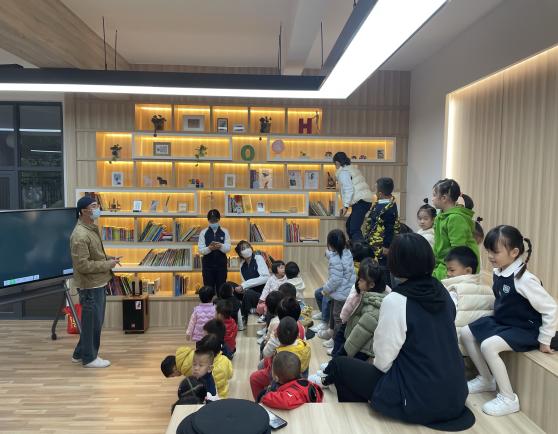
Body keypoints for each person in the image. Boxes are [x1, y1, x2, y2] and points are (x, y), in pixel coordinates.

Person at [323, 233, 474, 431]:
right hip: (456, 393)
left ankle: (362, 425)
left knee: (340, 365)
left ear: (395, 262)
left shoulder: (396, 300)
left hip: (419, 400)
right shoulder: (443, 291)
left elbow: (383, 362)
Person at [461, 225, 557, 416]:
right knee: (465, 332)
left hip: (526, 329)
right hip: (504, 322)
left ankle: (508, 398)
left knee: (488, 346)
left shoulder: (525, 280)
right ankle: (486, 379)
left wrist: (545, 339)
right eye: (488, 251)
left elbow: (551, 308)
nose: (490, 256)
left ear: (514, 252)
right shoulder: (499, 270)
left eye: (495, 252)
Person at [309, 258, 387, 386]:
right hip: (355, 342)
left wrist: (343, 351)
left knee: (342, 361)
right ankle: (329, 369)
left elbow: (356, 340)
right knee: (339, 356)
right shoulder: (369, 296)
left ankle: (325, 380)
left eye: (361, 280)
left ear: (372, 285)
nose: (358, 281)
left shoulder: (373, 309)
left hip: (360, 348)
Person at [70, 196, 121, 368]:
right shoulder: (80, 235)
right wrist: (107, 264)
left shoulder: (91, 228)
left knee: (92, 322)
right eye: (94, 206)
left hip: (97, 282)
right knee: (93, 323)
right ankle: (90, 358)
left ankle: (79, 354)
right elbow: (83, 265)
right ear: (84, 211)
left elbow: (95, 255)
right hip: (90, 285)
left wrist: (109, 258)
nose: (98, 208)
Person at [442, 246, 494, 351]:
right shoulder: (487, 290)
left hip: (453, 344)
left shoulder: (454, 291)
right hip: (478, 345)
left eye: (452, 270)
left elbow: (444, 317)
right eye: (447, 269)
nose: (448, 273)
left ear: (468, 270)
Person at [160, 325, 233, 398]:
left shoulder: (188, 369)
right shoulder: (224, 359)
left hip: (214, 395)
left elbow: (198, 385)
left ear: (174, 368)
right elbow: (230, 375)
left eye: (173, 375)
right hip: (223, 393)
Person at [250, 317, 311, 400]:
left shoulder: (280, 354)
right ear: (297, 335)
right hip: (301, 378)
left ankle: (260, 402)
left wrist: (273, 338)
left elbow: (265, 354)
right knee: (264, 364)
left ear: (278, 335)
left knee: (254, 378)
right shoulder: (304, 344)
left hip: (281, 379)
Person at [431, 178, 479, 280]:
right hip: (445, 262)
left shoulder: (455, 218)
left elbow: (458, 250)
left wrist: (443, 269)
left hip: (457, 265)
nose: (432, 199)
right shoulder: (441, 216)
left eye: (434, 195)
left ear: (444, 198)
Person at [316, 230, 356, 350]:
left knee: (338, 317)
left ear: (331, 244)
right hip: (346, 289)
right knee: (334, 313)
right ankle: (331, 333)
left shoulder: (335, 259)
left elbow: (335, 280)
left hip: (341, 292)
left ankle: (336, 342)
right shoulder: (347, 252)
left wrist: (325, 290)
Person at [363, 177, 400, 286]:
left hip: (382, 246)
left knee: (383, 269)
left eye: (375, 189)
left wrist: (386, 246)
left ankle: (385, 288)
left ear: (380, 193)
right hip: (375, 244)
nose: (374, 191)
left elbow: (389, 229)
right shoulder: (381, 204)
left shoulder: (388, 208)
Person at [258, 352, 323, 410]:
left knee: (262, 395)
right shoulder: (301, 380)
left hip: (304, 414)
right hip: (305, 408)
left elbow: (285, 401)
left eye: (272, 369)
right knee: (262, 393)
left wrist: (264, 397)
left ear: (276, 377)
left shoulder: (295, 392)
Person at [333, 151, 374, 240]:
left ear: (337, 162)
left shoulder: (343, 172)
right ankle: (353, 246)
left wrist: (345, 206)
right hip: (364, 201)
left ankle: (360, 248)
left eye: (334, 164)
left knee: (354, 229)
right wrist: (346, 206)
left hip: (361, 202)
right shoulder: (352, 169)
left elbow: (349, 189)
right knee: (349, 226)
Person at [233, 240, 270, 325]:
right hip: (248, 293)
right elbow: (244, 283)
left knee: (248, 293)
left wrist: (244, 285)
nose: (246, 249)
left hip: (261, 295)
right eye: (243, 248)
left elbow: (265, 277)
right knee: (229, 286)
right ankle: (235, 314)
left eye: (247, 247)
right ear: (240, 253)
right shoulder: (242, 265)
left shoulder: (258, 258)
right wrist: (242, 289)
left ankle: (243, 316)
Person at [198, 209, 231, 292]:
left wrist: (220, 246)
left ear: (219, 220)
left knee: (221, 290)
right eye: (211, 221)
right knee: (208, 290)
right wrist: (209, 248)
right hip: (207, 267)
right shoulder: (203, 232)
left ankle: (220, 301)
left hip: (221, 267)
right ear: (208, 220)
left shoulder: (225, 231)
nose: (213, 222)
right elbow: (201, 250)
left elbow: (228, 248)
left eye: (215, 220)